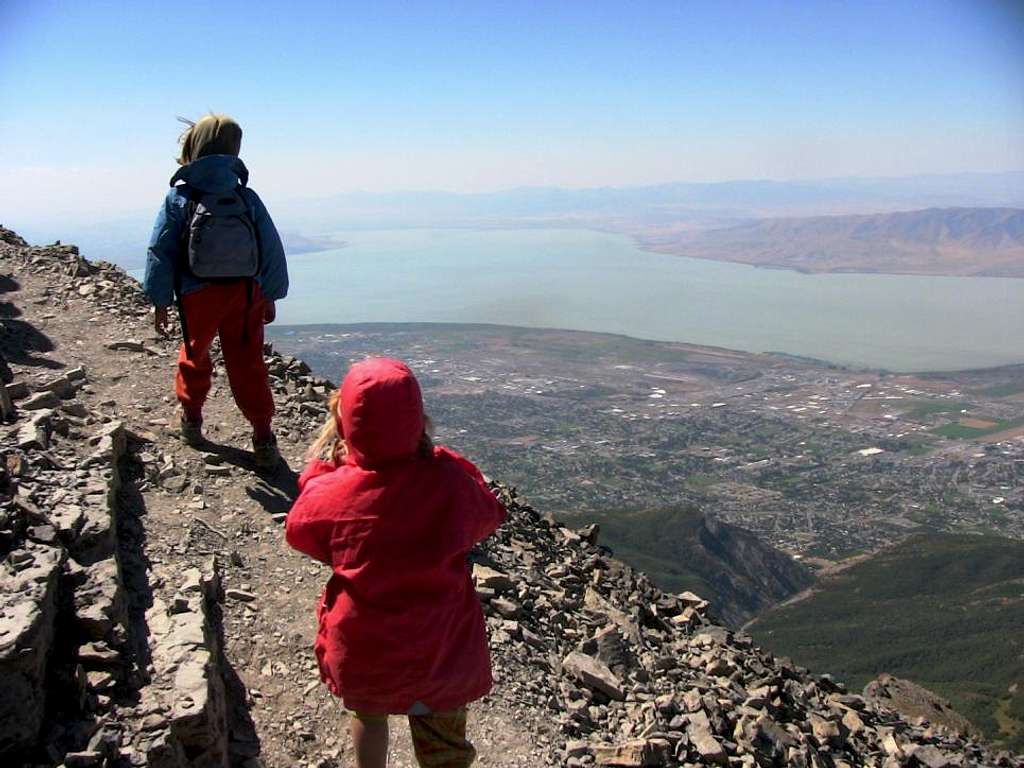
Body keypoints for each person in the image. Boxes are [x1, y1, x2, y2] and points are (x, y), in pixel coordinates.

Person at [286, 358, 506, 768]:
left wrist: (324, 472)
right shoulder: (448, 483)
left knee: (368, 714)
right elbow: (488, 514)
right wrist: (444, 460)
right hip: (441, 647)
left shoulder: (333, 493)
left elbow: (302, 531)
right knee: (443, 739)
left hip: (366, 647)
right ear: (417, 419)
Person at [143, 113, 288, 469]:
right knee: (248, 363)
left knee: (195, 355)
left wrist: (160, 300)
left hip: (197, 294)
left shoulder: (179, 198)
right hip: (245, 293)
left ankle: (192, 420)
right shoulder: (246, 197)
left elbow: (161, 250)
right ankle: (263, 436)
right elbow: (270, 246)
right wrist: (270, 292)